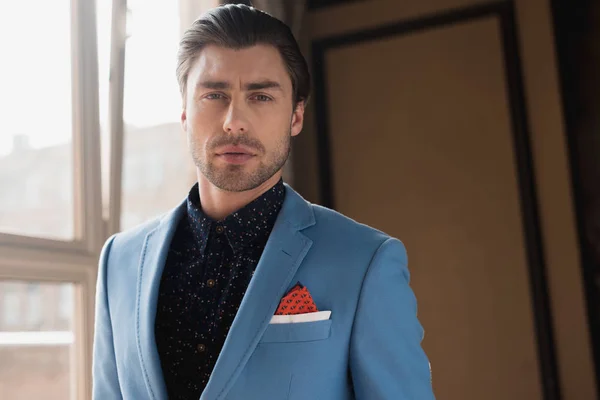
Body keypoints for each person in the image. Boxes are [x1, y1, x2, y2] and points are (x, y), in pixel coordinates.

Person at [92, 4, 434, 399]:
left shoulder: (366, 262)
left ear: (296, 117)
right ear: (185, 112)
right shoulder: (118, 261)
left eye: (261, 96)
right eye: (215, 94)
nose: (234, 121)